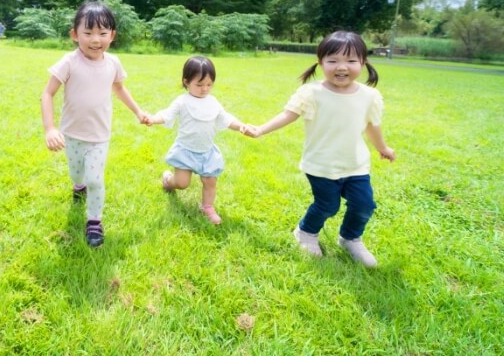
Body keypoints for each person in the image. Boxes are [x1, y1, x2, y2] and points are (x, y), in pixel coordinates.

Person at [245, 31, 395, 267]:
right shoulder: (312, 93)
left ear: (363, 62)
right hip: (321, 164)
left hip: (356, 164)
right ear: (320, 62)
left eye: (351, 60)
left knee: (364, 204)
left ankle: (350, 238)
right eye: (333, 60)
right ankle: (306, 232)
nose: (341, 67)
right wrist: (261, 129)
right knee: (327, 205)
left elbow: (372, 126)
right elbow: (288, 115)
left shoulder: (369, 96)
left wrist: (383, 147)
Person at [40, 2, 149, 247]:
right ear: (74, 34)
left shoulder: (113, 63)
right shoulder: (69, 62)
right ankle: (78, 186)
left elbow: (119, 88)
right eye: (88, 33)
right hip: (71, 134)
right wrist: (50, 128)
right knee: (77, 174)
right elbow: (47, 94)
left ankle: (94, 221)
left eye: (102, 33)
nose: (95, 39)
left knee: (95, 179)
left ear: (112, 35)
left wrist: (138, 111)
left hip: (99, 136)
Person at [143, 56, 249, 225]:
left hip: (206, 152)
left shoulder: (213, 102)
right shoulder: (182, 101)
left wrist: (241, 126)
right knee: (182, 183)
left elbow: (226, 118)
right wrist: (153, 119)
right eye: (199, 85)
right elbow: (167, 115)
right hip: (185, 150)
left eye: (209, 84)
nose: (204, 89)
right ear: (186, 82)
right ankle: (168, 180)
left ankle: (207, 207)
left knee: (210, 181)